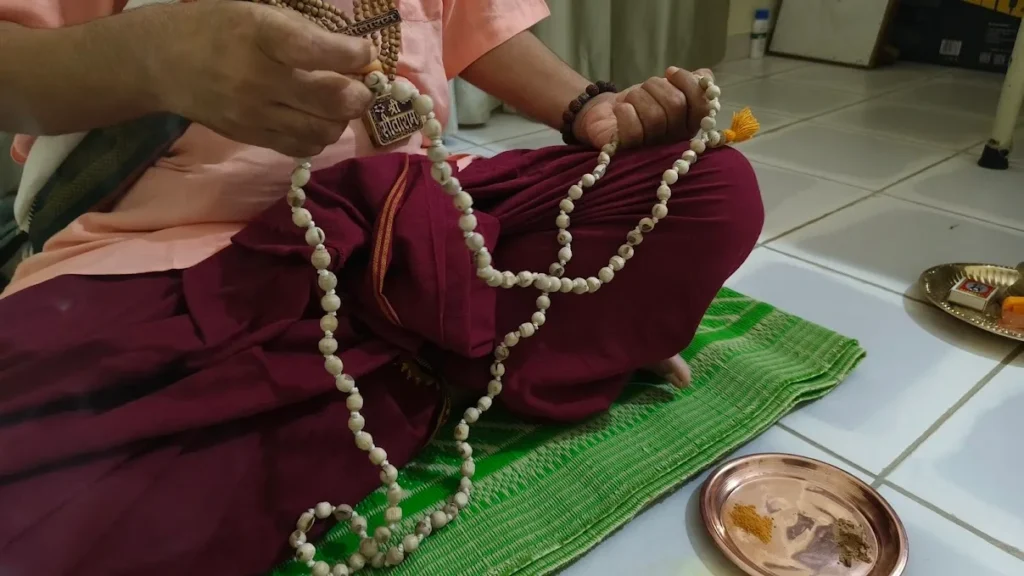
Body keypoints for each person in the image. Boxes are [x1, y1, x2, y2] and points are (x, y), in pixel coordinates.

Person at [0, 1, 763, 574]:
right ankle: (465, 348)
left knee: (709, 190)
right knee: (47, 514)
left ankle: (403, 346)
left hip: (425, 219)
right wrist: (155, 57)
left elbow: (469, 20)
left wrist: (590, 107)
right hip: (189, 250)